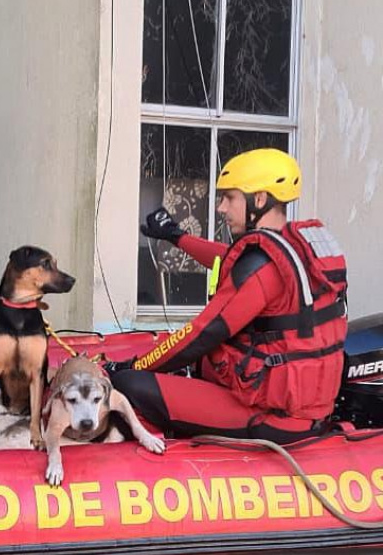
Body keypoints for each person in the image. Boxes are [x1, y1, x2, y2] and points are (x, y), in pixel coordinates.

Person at [108, 148, 348, 444]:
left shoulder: (262, 266)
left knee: (128, 384)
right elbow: (227, 258)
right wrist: (176, 236)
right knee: (196, 366)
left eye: (230, 198)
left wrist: (131, 366)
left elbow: (201, 334)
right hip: (306, 409)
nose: (221, 208)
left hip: (272, 418)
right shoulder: (298, 251)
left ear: (259, 200)